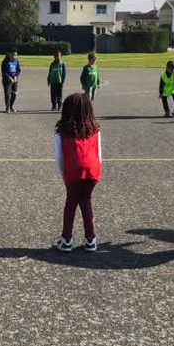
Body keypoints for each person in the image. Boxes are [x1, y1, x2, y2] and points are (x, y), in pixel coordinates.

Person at [54, 93, 102, 252]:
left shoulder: (62, 130)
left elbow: (58, 156)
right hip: (93, 169)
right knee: (86, 201)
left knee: (71, 203)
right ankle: (91, 239)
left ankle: (67, 238)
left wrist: (64, 175)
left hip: (72, 170)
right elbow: (99, 153)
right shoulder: (94, 129)